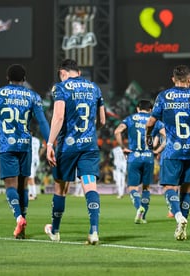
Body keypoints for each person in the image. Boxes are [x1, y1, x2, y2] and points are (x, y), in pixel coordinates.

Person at [146, 65, 190, 240]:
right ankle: (182, 225)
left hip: (172, 150)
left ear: (173, 79)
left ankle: (178, 216)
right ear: (189, 80)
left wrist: (147, 136)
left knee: (169, 187)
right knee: (186, 189)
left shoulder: (164, 97)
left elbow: (151, 122)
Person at [44, 59, 106, 244]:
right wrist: (90, 133)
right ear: (78, 72)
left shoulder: (61, 88)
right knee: (90, 186)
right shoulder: (94, 88)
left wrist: (49, 144)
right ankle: (94, 231)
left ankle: (55, 231)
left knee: (61, 188)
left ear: (63, 73)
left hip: (67, 147)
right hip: (89, 147)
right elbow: (102, 120)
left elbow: (59, 116)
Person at [0, 64, 50, 239]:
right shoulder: (33, 96)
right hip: (25, 144)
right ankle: (22, 228)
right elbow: (43, 122)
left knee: (10, 185)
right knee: (23, 184)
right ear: (24, 79)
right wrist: (50, 143)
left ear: (7, 78)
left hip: (6, 144)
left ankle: (18, 218)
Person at [114, 99, 165, 223]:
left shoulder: (130, 119)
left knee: (132, 187)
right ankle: (143, 216)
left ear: (138, 108)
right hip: (148, 157)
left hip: (134, 156)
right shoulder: (155, 121)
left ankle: (138, 207)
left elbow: (117, 131)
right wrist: (158, 150)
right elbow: (166, 137)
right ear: (151, 109)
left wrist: (123, 148)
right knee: (146, 188)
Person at [28, 135, 45, 200]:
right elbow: (43, 147)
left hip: (30, 160)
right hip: (36, 160)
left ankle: (33, 194)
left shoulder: (27, 139)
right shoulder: (37, 140)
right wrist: (38, 154)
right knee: (30, 177)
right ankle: (31, 193)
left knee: (30, 178)